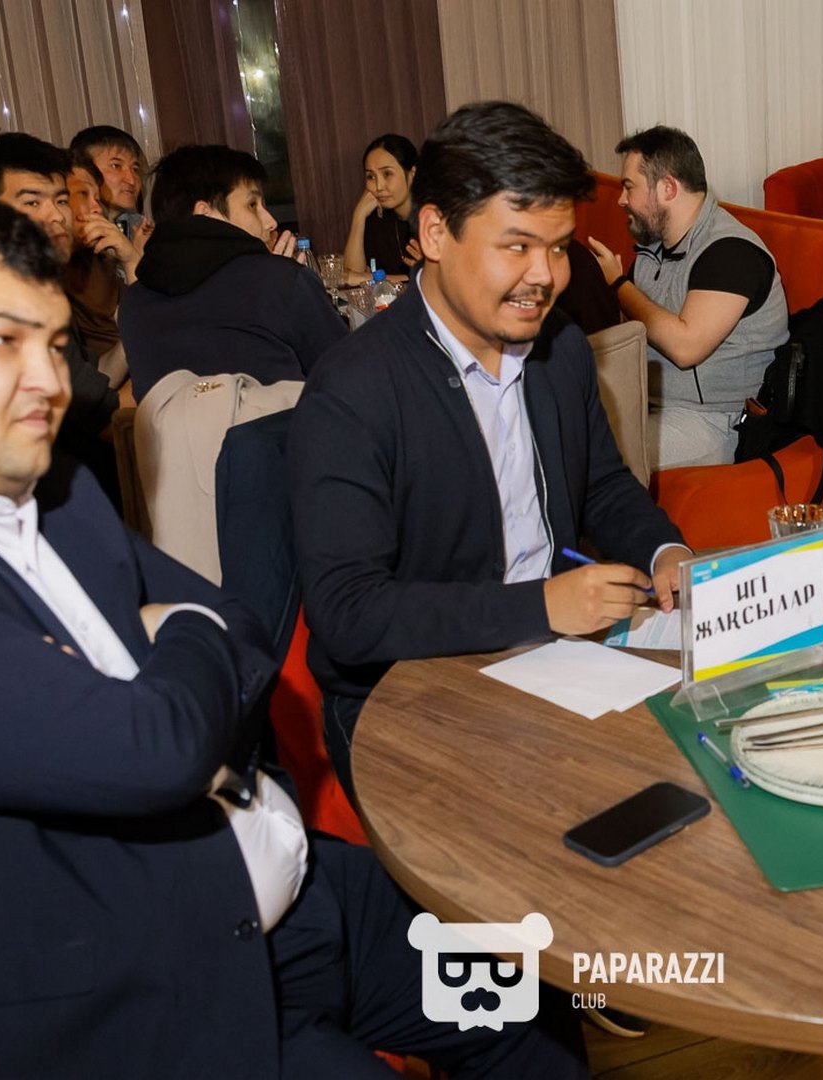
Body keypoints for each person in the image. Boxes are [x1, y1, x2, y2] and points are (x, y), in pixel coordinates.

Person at [0, 182, 588, 1079]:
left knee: (533, 999)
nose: (53, 382)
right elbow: (155, 749)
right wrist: (177, 643)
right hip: (134, 1008)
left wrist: (170, 641)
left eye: (55, 344)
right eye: (3, 341)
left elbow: (237, 624)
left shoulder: (39, 483)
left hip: (290, 899)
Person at [290, 101, 687, 799]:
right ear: (435, 233)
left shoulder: (559, 348)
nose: (546, 275)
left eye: (558, 247)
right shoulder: (353, 388)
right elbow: (348, 613)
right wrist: (539, 608)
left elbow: (599, 483)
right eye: (517, 246)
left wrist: (665, 552)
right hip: (406, 693)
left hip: (561, 662)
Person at [586, 125, 789, 469]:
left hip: (716, 422)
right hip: (652, 406)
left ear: (667, 187)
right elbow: (629, 334)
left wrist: (618, 285)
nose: (621, 199)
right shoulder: (653, 249)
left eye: (629, 186)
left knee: (590, 458)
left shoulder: (730, 252)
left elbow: (685, 347)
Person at [120, 144, 345, 401]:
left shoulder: (133, 302)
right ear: (205, 214)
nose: (270, 221)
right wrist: (284, 279)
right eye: (252, 204)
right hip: (284, 426)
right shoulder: (280, 281)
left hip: (173, 429)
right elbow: (348, 372)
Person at [0, 131, 123, 501]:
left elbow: (88, 381)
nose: (56, 216)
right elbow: (108, 423)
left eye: (60, 200)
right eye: (32, 202)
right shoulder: (9, 300)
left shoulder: (39, 285)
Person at [63, 126, 149, 364]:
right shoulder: (71, 254)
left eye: (135, 169)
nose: (131, 180)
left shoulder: (139, 229)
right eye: (116, 165)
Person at [343, 133, 420, 280]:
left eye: (387, 174)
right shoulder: (377, 217)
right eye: (371, 177)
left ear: (412, 173)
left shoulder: (435, 218)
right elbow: (351, 277)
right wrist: (358, 215)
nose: (379, 186)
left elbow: (435, 282)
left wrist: (368, 278)